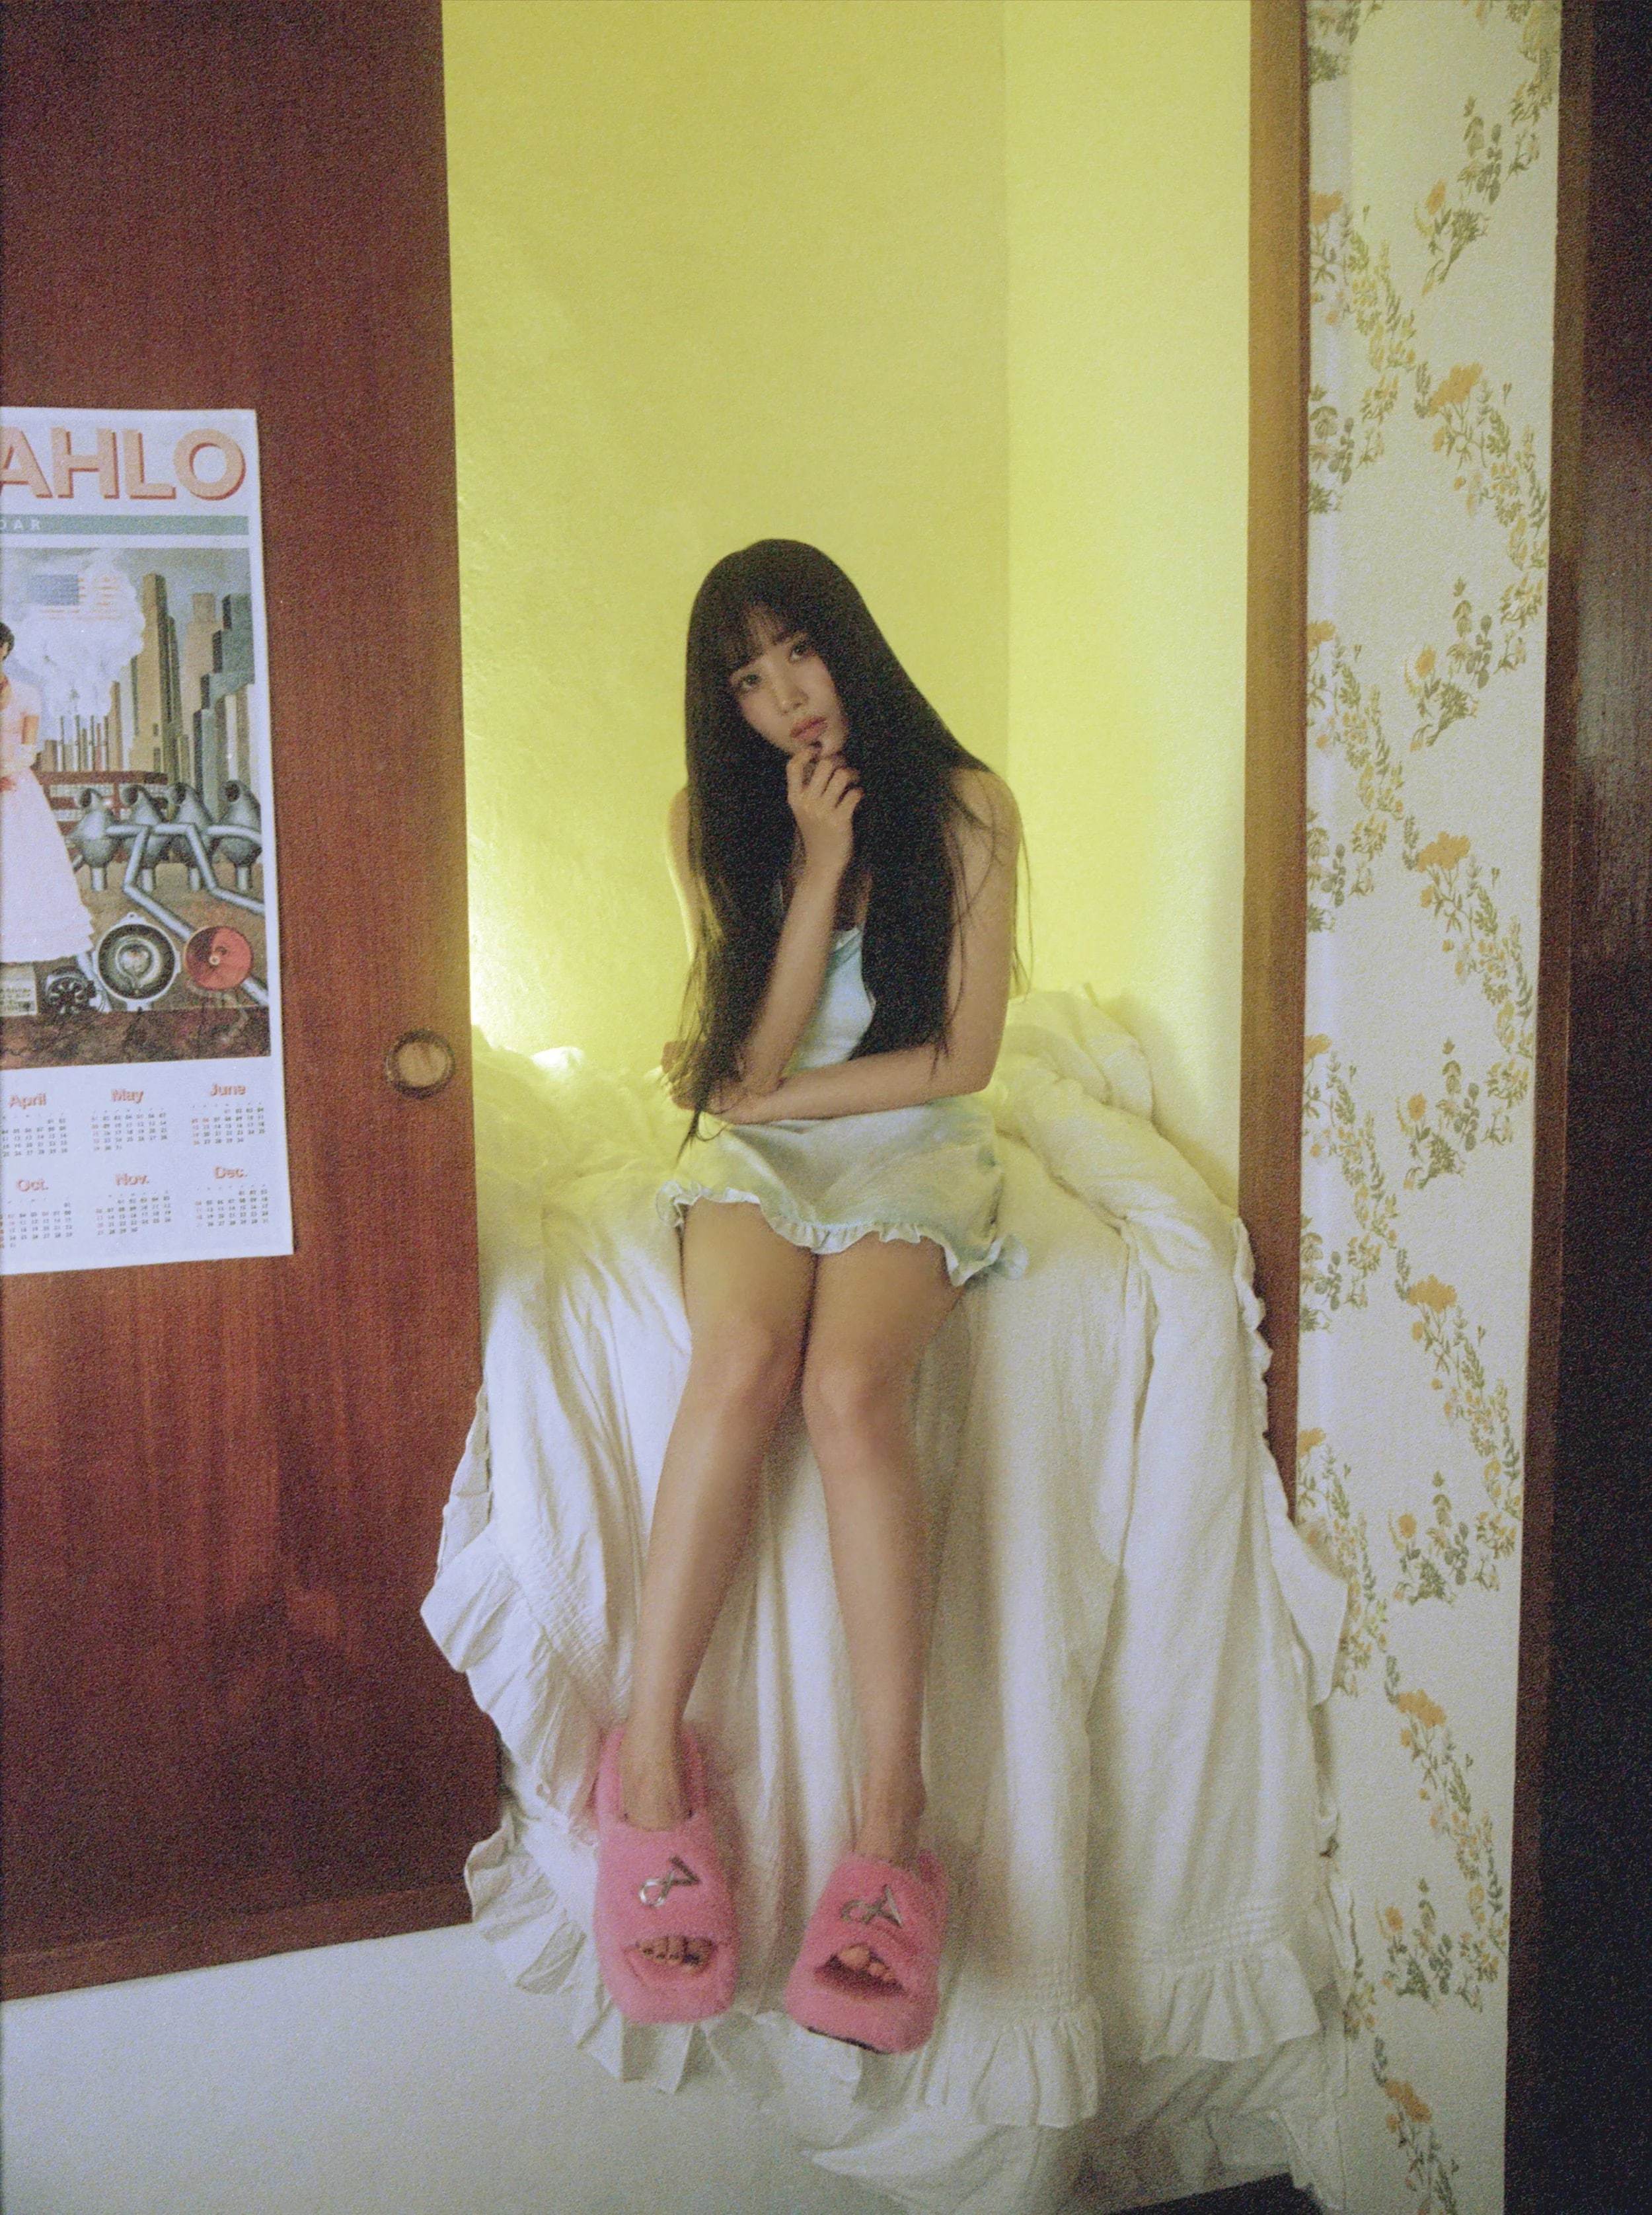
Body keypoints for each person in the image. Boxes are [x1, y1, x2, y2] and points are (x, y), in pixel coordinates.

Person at [592, 541, 1023, 2053]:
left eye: (800, 653)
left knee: (849, 1389)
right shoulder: (706, 819)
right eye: (747, 677)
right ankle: (649, 1764)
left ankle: (889, 1821)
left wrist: (769, 1096)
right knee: (740, 1358)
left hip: (909, 1134)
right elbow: (748, 1050)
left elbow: (963, 1055)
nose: (784, 696)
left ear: (848, 643)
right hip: (767, 1144)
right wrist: (818, 864)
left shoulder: (967, 804)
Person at [0, 619, 94, 967]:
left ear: (5, 650)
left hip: (17, 788)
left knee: (24, 860)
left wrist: (3, 773)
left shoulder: (26, 693)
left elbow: (29, 752)